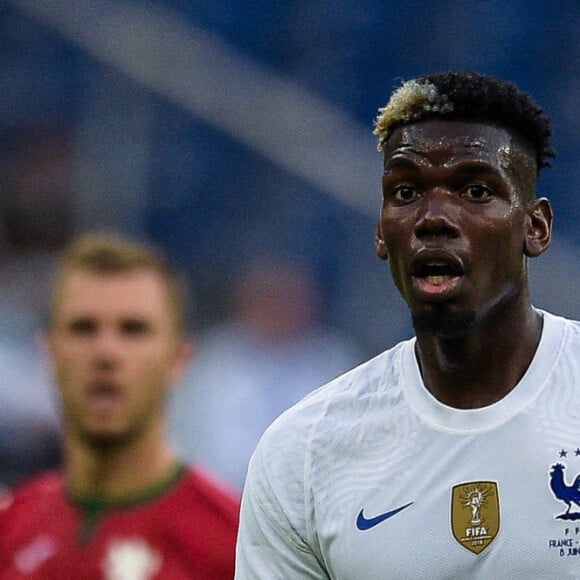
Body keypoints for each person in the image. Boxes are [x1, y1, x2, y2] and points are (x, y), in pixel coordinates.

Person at [234, 70, 580, 578]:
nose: (433, 217)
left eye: (477, 190)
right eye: (405, 193)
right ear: (380, 233)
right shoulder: (304, 454)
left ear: (535, 226)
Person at [0, 232, 239, 579]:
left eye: (133, 330)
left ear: (178, 358)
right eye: (83, 328)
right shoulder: (9, 530)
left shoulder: (233, 542)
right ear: (49, 352)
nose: (106, 353)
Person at [169, 257, 363, 491]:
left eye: (289, 298)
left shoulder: (335, 361)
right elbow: (184, 443)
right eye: (269, 297)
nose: (278, 307)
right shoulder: (210, 363)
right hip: (222, 501)